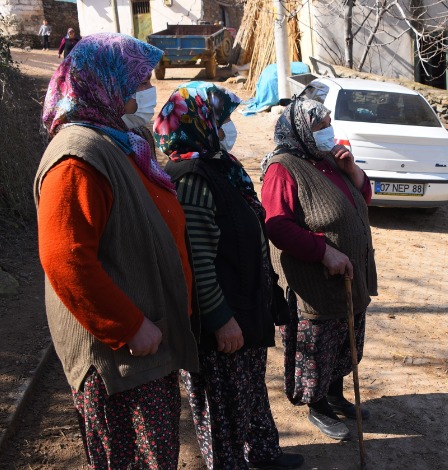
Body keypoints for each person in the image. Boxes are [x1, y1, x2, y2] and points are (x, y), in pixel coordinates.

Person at [34, 32, 199, 469]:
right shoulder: (77, 156)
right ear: (107, 84)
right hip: (120, 360)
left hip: (147, 346)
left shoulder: (118, 142)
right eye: (139, 80)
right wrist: (128, 326)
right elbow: (65, 257)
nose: (149, 91)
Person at [157, 82, 304, 470]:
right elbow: (198, 259)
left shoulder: (220, 166)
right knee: (222, 407)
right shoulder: (190, 177)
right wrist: (222, 320)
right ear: (199, 123)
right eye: (221, 120)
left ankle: (262, 454)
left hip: (246, 304)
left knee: (249, 391)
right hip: (221, 317)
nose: (227, 128)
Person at [260, 98, 378, 441]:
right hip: (315, 280)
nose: (328, 130)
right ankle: (317, 405)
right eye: (320, 125)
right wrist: (323, 252)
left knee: (346, 340)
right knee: (319, 347)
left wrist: (353, 170)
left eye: (328, 123)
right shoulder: (283, 168)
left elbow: (363, 197)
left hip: (350, 276)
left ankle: (335, 394)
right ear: (299, 130)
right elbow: (277, 226)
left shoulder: (328, 158)